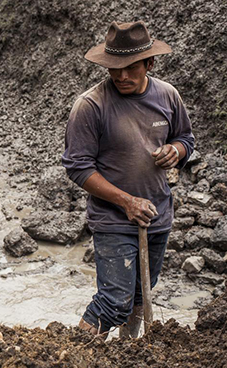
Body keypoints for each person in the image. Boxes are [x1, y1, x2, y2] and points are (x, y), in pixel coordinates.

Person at [62, 21, 195, 337]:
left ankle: (128, 350)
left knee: (139, 296)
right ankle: (76, 355)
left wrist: (175, 151)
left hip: (157, 214)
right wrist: (126, 201)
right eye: (114, 68)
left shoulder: (168, 96)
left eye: (131, 67)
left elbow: (186, 138)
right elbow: (77, 166)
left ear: (149, 63)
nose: (121, 76)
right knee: (113, 302)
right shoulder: (91, 105)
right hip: (113, 219)